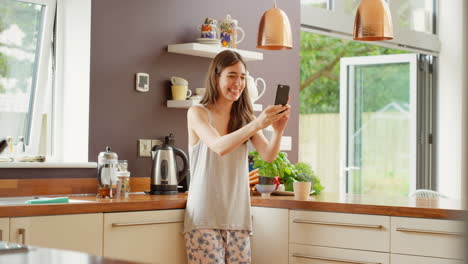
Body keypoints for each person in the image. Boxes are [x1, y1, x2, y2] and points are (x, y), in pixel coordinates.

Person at [183, 50, 291, 264]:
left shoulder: (244, 118)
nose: (238, 83)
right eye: (231, 75)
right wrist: (257, 124)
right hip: (204, 216)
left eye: (242, 77)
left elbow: (268, 156)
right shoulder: (198, 112)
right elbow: (219, 146)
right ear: (216, 77)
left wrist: (278, 130)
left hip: (238, 217)